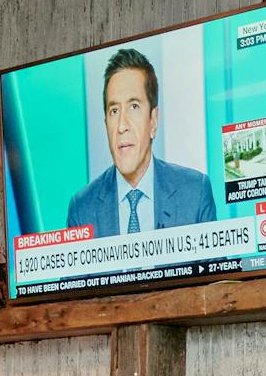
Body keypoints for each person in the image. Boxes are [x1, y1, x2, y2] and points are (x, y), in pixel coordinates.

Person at [63, 48, 218, 236]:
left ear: (153, 120)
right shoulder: (81, 210)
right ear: (106, 124)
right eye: (114, 111)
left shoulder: (195, 193)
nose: (121, 126)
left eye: (134, 106)